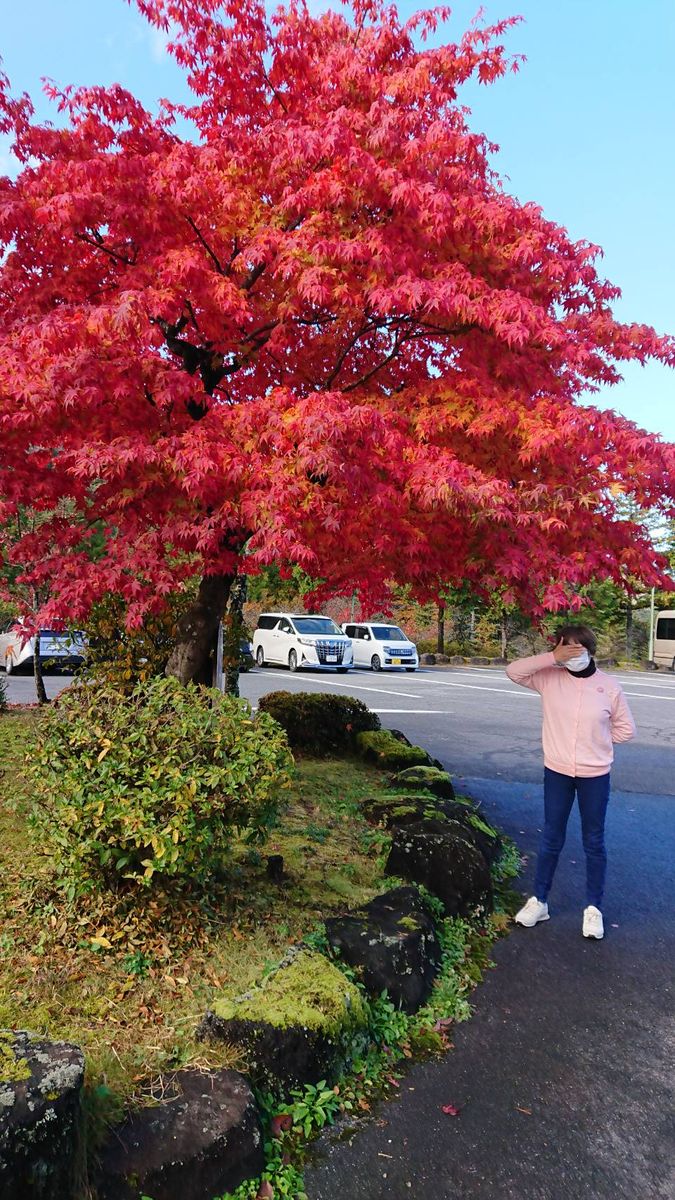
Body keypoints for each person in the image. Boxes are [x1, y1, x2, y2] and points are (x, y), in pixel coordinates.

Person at [506, 624, 636, 940]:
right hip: (558, 772)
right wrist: (552, 656)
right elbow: (514, 671)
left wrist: (598, 745)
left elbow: (625, 729)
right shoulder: (550, 679)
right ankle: (540, 900)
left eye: (578, 648)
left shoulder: (609, 686)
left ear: (590, 650)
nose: (572, 655)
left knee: (594, 840)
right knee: (551, 836)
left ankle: (593, 908)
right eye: (566, 648)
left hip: (595, 776)